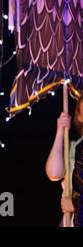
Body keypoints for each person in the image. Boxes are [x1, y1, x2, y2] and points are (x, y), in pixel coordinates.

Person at [45, 96, 83, 226]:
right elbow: (54, 174)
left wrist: (75, 204)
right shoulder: (74, 148)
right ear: (79, 117)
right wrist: (60, 132)